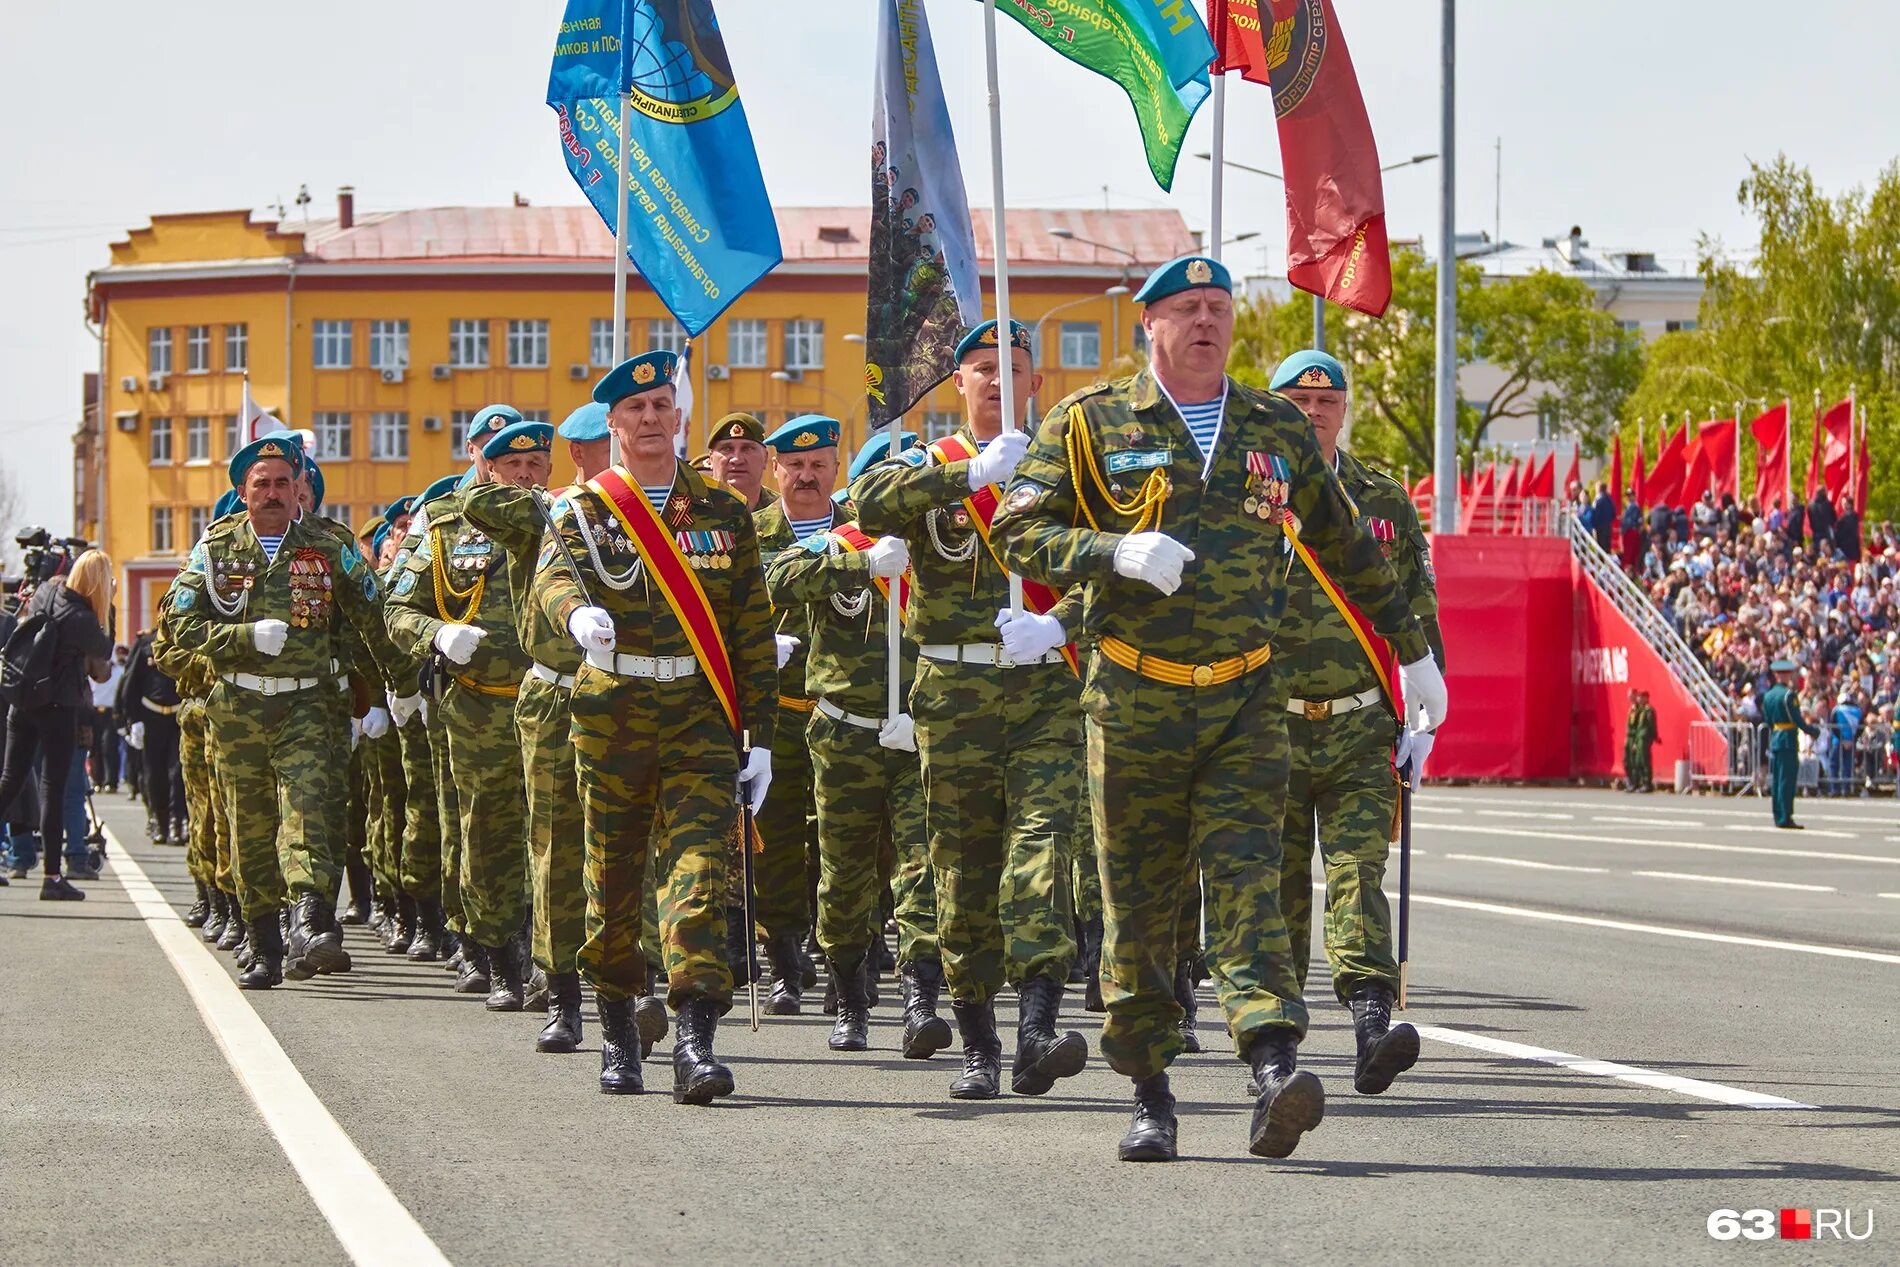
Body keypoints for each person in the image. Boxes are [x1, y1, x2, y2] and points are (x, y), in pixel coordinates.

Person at [991, 254, 1445, 1163]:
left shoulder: (1273, 426)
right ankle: (1150, 1092)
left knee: (1248, 887)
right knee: (1142, 905)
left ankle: (1275, 1066)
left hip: (1244, 698)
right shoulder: (1090, 423)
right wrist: (1112, 551)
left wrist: (1415, 649)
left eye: (1220, 307)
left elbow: (1351, 546)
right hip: (1132, 700)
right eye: (1188, 308)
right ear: (1148, 324)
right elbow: (1015, 524)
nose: (1207, 321)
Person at [852, 318, 1089, 1104]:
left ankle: (1038, 1029)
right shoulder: (934, 464)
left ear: (1037, 382)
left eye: (1012, 367)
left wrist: (1058, 624)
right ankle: (981, 1039)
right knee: (962, 871)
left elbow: (1111, 573)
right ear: (959, 384)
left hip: (1043, 692)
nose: (997, 380)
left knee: (1043, 854)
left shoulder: (1070, 471)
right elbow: (868, 499)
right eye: (982, 368)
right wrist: (970, 475)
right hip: (953, 700)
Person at [532, 349, 776, 1101]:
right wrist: (578, 614)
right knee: (612, 882)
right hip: (613, 717)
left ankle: (696, 1041)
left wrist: (758, 736)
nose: (648, 419)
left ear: (679, 418)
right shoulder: (582, 511)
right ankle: (616, 1031)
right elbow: (550, 579)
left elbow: (750, 630)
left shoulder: (725, 514)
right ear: (612, 424)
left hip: (700, 718)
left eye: (660, 406)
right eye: (633, 410)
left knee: (700, 874)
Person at [1267, 349, 1443, 1100]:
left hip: (1360, 723)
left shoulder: (1383, 498)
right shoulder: (1244, 493)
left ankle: (1372, 1024)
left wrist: (1427, 699)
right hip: (1264, 725)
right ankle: (1272, 1046)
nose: (1313, 411)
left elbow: (1416, 605)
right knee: (1271, 889)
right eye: (1298, 400)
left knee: (1357, 871)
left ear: (1345, 408)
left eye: (1326, 400)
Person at [168, 434, 401, 988]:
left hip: (311, 702)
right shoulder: (214, 550)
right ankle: (264, 942)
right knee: (250, 826)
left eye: (282, 483)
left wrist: (402, 685)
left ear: (300, 487)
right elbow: (178, 626)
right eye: (261, 484)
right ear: (243, 492)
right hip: (239, 705)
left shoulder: (331, 545)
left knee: (309, 810)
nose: (272, 494)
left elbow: (375, 618)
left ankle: (309, 920)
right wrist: (242, 637)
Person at [767, 431, 951, 1058]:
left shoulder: (935, 546)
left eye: (820, 464)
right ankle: (850, 999)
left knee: (922, 866)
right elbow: (778, 578)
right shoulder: (838, 544)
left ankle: (922, 998)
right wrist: (859, 564)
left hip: (916, 729)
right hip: (843, 731)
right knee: (843, 875)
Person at [387, 413, 551, 1012]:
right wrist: (436, 634)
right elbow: (396, 609)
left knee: (553, 834)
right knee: (485, 836)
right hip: (479, 706)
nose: (525, 477)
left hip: (554, 702)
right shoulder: (442, 525)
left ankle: (547, 961)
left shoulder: (566, 521)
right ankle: (499, 955)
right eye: (513, 465)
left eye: (536, 466)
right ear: (487, 467)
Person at [744, 414, 842, 1014]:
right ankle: (783, 961)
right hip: (774, 712)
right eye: (795, 466)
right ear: (774, 469)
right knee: (775, 841)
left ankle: (841, 959)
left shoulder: (863, 531)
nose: (807, 477)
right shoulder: (745, 533)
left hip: (846, 711)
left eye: (819, 466)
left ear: (836, 468)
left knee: (844, 842)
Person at [0, 549, 116, 901]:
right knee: (53, 787)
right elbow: (105, 649)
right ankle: (52, 878)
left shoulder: (46, 592)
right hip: (59, 708)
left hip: (23, 701)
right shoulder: (83, 619)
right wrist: (108, 607)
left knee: (9, 782)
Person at [120, 628, 184, 843]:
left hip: (179, 716)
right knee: (154, 773)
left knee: (178, 773)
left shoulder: (186, 637)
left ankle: (178, 821)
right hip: (152, 715)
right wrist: (131, 720)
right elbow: (131, 680)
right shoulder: (146, 642)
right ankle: (158, 820)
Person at [1762, 660, 1818, 827]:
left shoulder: (1769, 695)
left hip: (1776, 738)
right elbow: (1797, 720)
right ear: (1784, 675)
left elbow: (1768, 720)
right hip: (1787, 739)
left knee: (1778, 779)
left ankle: (1778, 814)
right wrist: (1813, 731)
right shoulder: (1788, 695)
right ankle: (1785, 816)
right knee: (1787, 779)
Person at [707, 412, 775, 512]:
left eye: (747, 449)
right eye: (727, 449)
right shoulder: (688, 509)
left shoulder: (786, 512)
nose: (737, 460)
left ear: (765, 458)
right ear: (711, 459)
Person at [90, 645, 125, 791]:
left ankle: (111, 781)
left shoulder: (120, 672)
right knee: (95, 746)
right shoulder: (91, 671)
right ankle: (97, 780)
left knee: (109, 746)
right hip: (94, 711)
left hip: (111, 712)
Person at [1622, 689, 1656, 792]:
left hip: (1644, 738)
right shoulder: (1637, 709)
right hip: (1636, 738)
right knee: (1634, 761)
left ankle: (1646, 783)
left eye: (1641, 697)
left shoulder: (1648, 710)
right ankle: (1635, 782)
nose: (1639, 699)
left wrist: (1652, 738)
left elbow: (1651, 726)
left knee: (1644, 761)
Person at [1807, 488, 1837, 560]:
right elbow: (1834, 518)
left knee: (1817, 553)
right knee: (1829, 553)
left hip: (1815, 533)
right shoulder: (1828, 504)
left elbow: (1810, 519)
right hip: (1826, 532)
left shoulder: (1810, 505)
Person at [1835, 496, 1861, 564]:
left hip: (1849, 547)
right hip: (1844, 547)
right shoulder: (1843, 516)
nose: (1843, 505)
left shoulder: (1851, 516)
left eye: (1845, 503)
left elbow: (1846, 531)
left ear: (1849, 504)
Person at [1591, 482, 1615, 552]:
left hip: (1600, 528)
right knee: (1607, 548)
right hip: (1608, 527)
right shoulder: (1610, 499)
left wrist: (1594, 526)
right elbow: (1613, 513)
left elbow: (1594, 514)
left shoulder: (1598, 500)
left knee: (1601, 548)